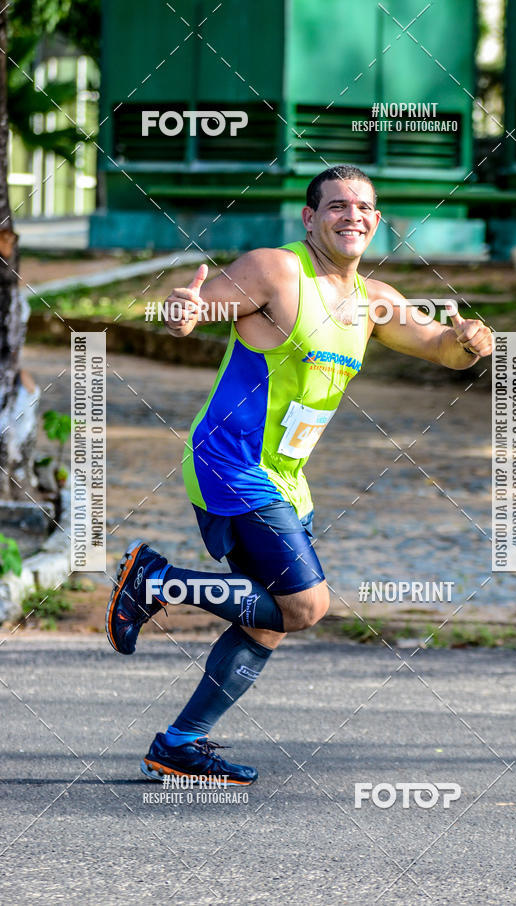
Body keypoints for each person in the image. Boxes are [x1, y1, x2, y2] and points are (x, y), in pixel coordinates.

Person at [105, 165, 493, 785]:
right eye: (336, 206)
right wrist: (183, 312)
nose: (353, 216)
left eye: (365, 207)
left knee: (271, 623)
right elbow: (202, 308)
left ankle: (178, 745)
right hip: (228, 460)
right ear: (310, 218)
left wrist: (470, 342)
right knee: (307, 605)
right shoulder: (277, 271)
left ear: (377, 222)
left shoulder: (375, 301)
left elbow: (440, 346)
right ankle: (153, 581)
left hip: (287, 476)